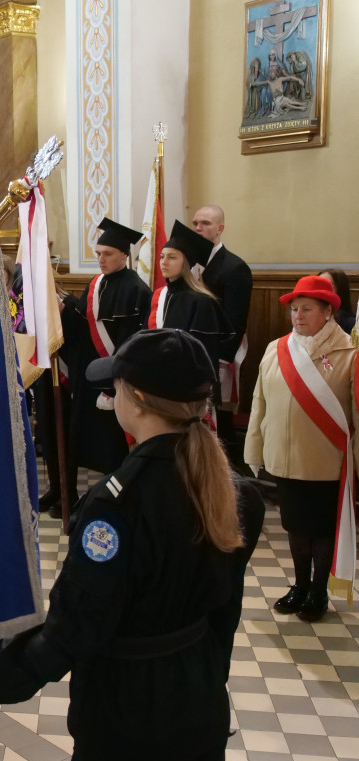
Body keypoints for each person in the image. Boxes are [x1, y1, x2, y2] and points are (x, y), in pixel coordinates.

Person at [0, 328, 250, 761]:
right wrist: (210, 679)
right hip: (199, 699)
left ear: (135, 397)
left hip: (128, 711)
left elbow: (73, 629)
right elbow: (225, 611)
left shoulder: (117, 505)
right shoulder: (230, 490)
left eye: (114, 387)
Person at [244, 275, 359, 622]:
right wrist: (254, 449)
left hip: (327, 459)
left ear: (328, 311)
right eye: (294, 309)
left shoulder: (349, 354)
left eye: (307, 308)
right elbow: (259, 402)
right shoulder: (276, 349)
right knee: (294, 525)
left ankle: (318, 590)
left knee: (321, 528)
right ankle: (299, 584)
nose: (298, 315)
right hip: (284, 456)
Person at [57, 218, 151, 500]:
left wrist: (112, 383)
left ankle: (120, 497)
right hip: (89, 379)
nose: (101, 259)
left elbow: (131, 342)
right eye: (98, 254)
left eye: (107, 254)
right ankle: (77, 497)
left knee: (114, 448)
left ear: (124, 254)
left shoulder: (138, 290)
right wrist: (63, 308)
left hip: (115, 383)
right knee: (82, 440)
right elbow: (81, 329)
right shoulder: (96, 285)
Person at [192, 205, 253, 453]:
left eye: (205, 223)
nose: (198, 228)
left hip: (218, 356)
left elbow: (235, 321)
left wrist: (220, 359)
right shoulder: (188, 264)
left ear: (220, 228)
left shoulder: (234, 267)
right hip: (193, 353)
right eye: (195, 223)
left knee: (220, 418)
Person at [149, 220, 235, 382]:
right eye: (162, 257)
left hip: (187, 380)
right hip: (158, 374)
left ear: (186, 263)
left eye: (172, 257)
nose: (164, 262)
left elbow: (203, 352)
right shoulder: (158, 296)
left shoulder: (201, 302)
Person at [318, 269, 355, 333]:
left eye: (328, 286)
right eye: (318, 285)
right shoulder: (309, 318)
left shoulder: (351, 324)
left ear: (340, 290)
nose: (320, 291)